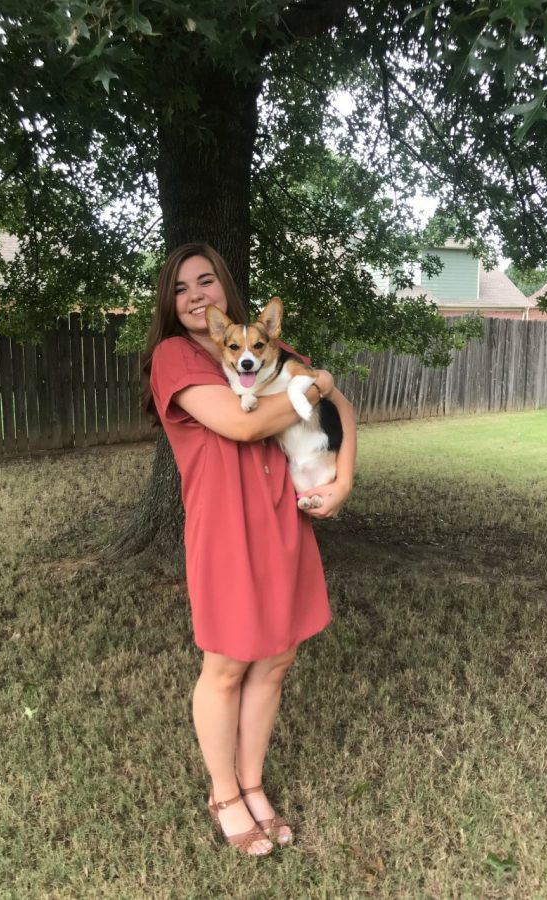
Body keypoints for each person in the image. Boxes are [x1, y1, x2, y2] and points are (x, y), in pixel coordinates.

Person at [142, 242, 356, 856]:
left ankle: (254, 783)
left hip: (283, 517)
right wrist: (311, 387)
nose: (195, 296)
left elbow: (342, 404)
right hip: (225, 525)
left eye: (205, 281)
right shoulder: (174, 356)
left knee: (278, 658)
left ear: (224, 288)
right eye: (181, 289)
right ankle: (224, 793)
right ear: (171, 302)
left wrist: (344, 477)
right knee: (228, 662)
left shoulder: (265, 346)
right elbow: (242, 424)